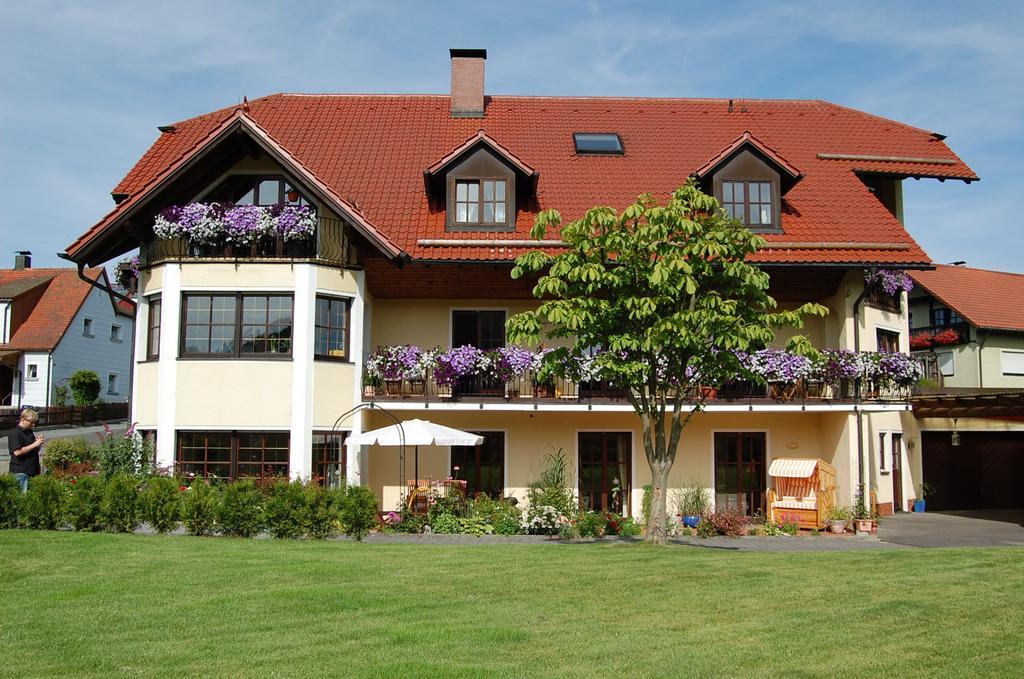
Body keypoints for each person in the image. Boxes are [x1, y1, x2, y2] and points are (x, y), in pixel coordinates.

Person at [8, 408, 44, 493]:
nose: (33, 425)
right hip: (21, 471)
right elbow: (17, 452)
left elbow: (33, 450)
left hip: (33, 470)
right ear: (23, 419)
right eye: (31, 422)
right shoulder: (15, 433)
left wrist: (38, 443)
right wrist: (35, 444)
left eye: (35, 422)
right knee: (22, 499)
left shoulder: (29, 432)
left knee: (31, 499)